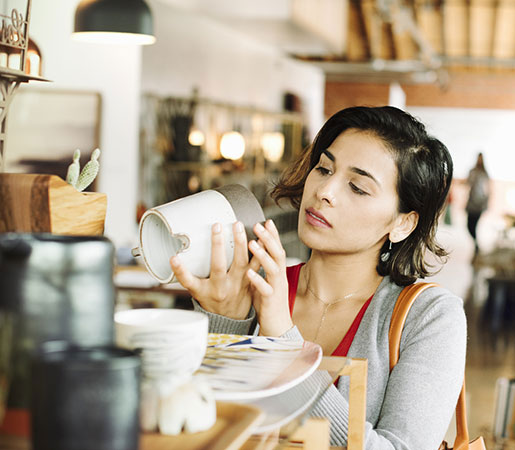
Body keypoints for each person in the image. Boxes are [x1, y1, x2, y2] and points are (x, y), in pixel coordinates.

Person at [169, 106, 467, 449]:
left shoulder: (430, 316)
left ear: (403, 223)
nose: (325, 190)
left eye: (357, 187)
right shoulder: (252, 288)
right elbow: (196, 427)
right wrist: (226, 322)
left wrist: (284, 342)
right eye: (324, 168)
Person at [465, 152, 490, 257]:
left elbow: (488, 189)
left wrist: (486, 202)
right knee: (468, 226)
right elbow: (468, 183)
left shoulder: (485, 173)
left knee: (474, 225)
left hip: (479, 203)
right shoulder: (473, 171)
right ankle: (476, 244)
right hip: (472, 202)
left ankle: (476, 246)